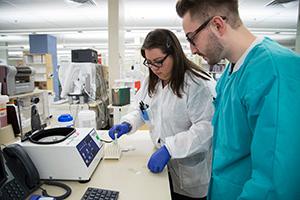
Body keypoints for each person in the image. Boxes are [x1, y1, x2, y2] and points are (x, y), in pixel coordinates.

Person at [176, 0, 300, 200]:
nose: (192, 50)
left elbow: (275, 184)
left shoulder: (275, 71)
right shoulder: (230, 73)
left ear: (218, 25)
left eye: (192, 39)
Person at [108, 29, 216, 200]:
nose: (154, 68)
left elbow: (206, 129)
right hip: (160, 166)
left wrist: (170, 148)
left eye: (158, 62)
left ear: (174, 53)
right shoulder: (152, 80)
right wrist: (128, 123)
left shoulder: (197, 84)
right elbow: (141, 108)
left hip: (188, 173)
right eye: (149, 62)